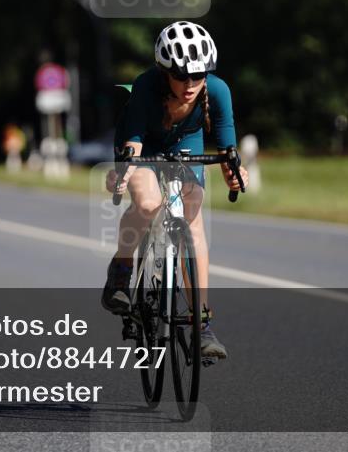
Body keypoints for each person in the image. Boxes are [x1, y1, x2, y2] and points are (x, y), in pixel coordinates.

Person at [102, 21, 248, 359]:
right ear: (164, 70)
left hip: (187, 144)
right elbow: (134, 140)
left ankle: (201, 325)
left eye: (198, 77)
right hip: (141, 144)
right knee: (149, 203)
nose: (190, 85)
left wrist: (234, 173)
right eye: (182, 76)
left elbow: (228, 149)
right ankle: (121, 270)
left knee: (194, 223)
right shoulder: (146, 86)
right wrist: (124, 172)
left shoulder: (218, 90)